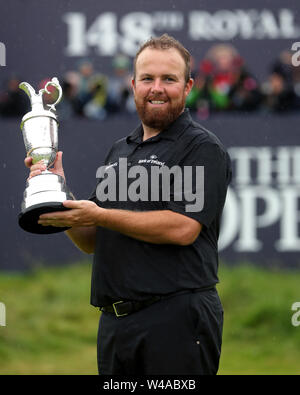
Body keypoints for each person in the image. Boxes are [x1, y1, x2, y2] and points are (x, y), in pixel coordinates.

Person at [25, 34, 232, 375]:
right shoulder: (121, 150)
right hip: (115, 325)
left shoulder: (201, 148)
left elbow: (183, 228)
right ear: (133, 84)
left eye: (169, 79)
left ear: (188, 85)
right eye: (148, 78)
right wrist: (60, 195)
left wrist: (100, 215)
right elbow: (92, 239)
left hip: (177, 320)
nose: (157, 88)